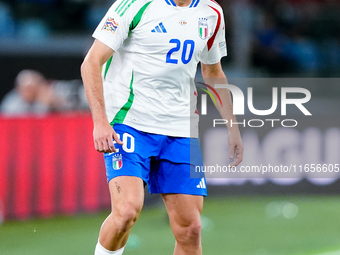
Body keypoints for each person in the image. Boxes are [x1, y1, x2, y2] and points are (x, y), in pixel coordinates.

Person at [81, 0, 243, 254]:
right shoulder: (134, 5)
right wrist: (100, 122)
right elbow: (91, 62)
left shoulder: (212, 13)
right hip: (129, 123)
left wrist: (232, 126)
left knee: (190, 229)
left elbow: (213, 71)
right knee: (126, 212)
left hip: (180, 129)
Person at [0, 69, 88, 115]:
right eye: (26, 88)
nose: (29, 92)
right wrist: (44, 105)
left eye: (33, 88)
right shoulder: (12, 102)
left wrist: (54, 103)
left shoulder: (56, 92)